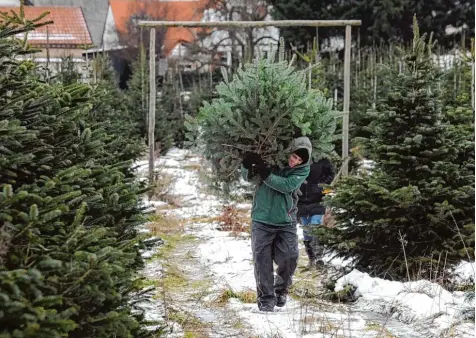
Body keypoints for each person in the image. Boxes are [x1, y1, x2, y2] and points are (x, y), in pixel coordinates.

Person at [241, 137, 312, 312]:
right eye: (293, 156)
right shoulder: (271, 160)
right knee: (262, 261)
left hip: (285, 222)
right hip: (261, 220)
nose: (294, 161)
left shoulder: (303, 170)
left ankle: (281, 290)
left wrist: (266, 173)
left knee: (290, 257)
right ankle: (266, 299)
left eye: (299, 160)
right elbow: (248, 177)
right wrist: (246, 164)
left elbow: (287, 185)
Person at [297, 157, 335, 269]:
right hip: (301, 201)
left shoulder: (321, 158)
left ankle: (319, 257)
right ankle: (311, 258)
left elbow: (331, 173)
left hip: (318, 200)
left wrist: (321, 186)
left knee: (315, 226)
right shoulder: (299, 157)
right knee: (306, 231)